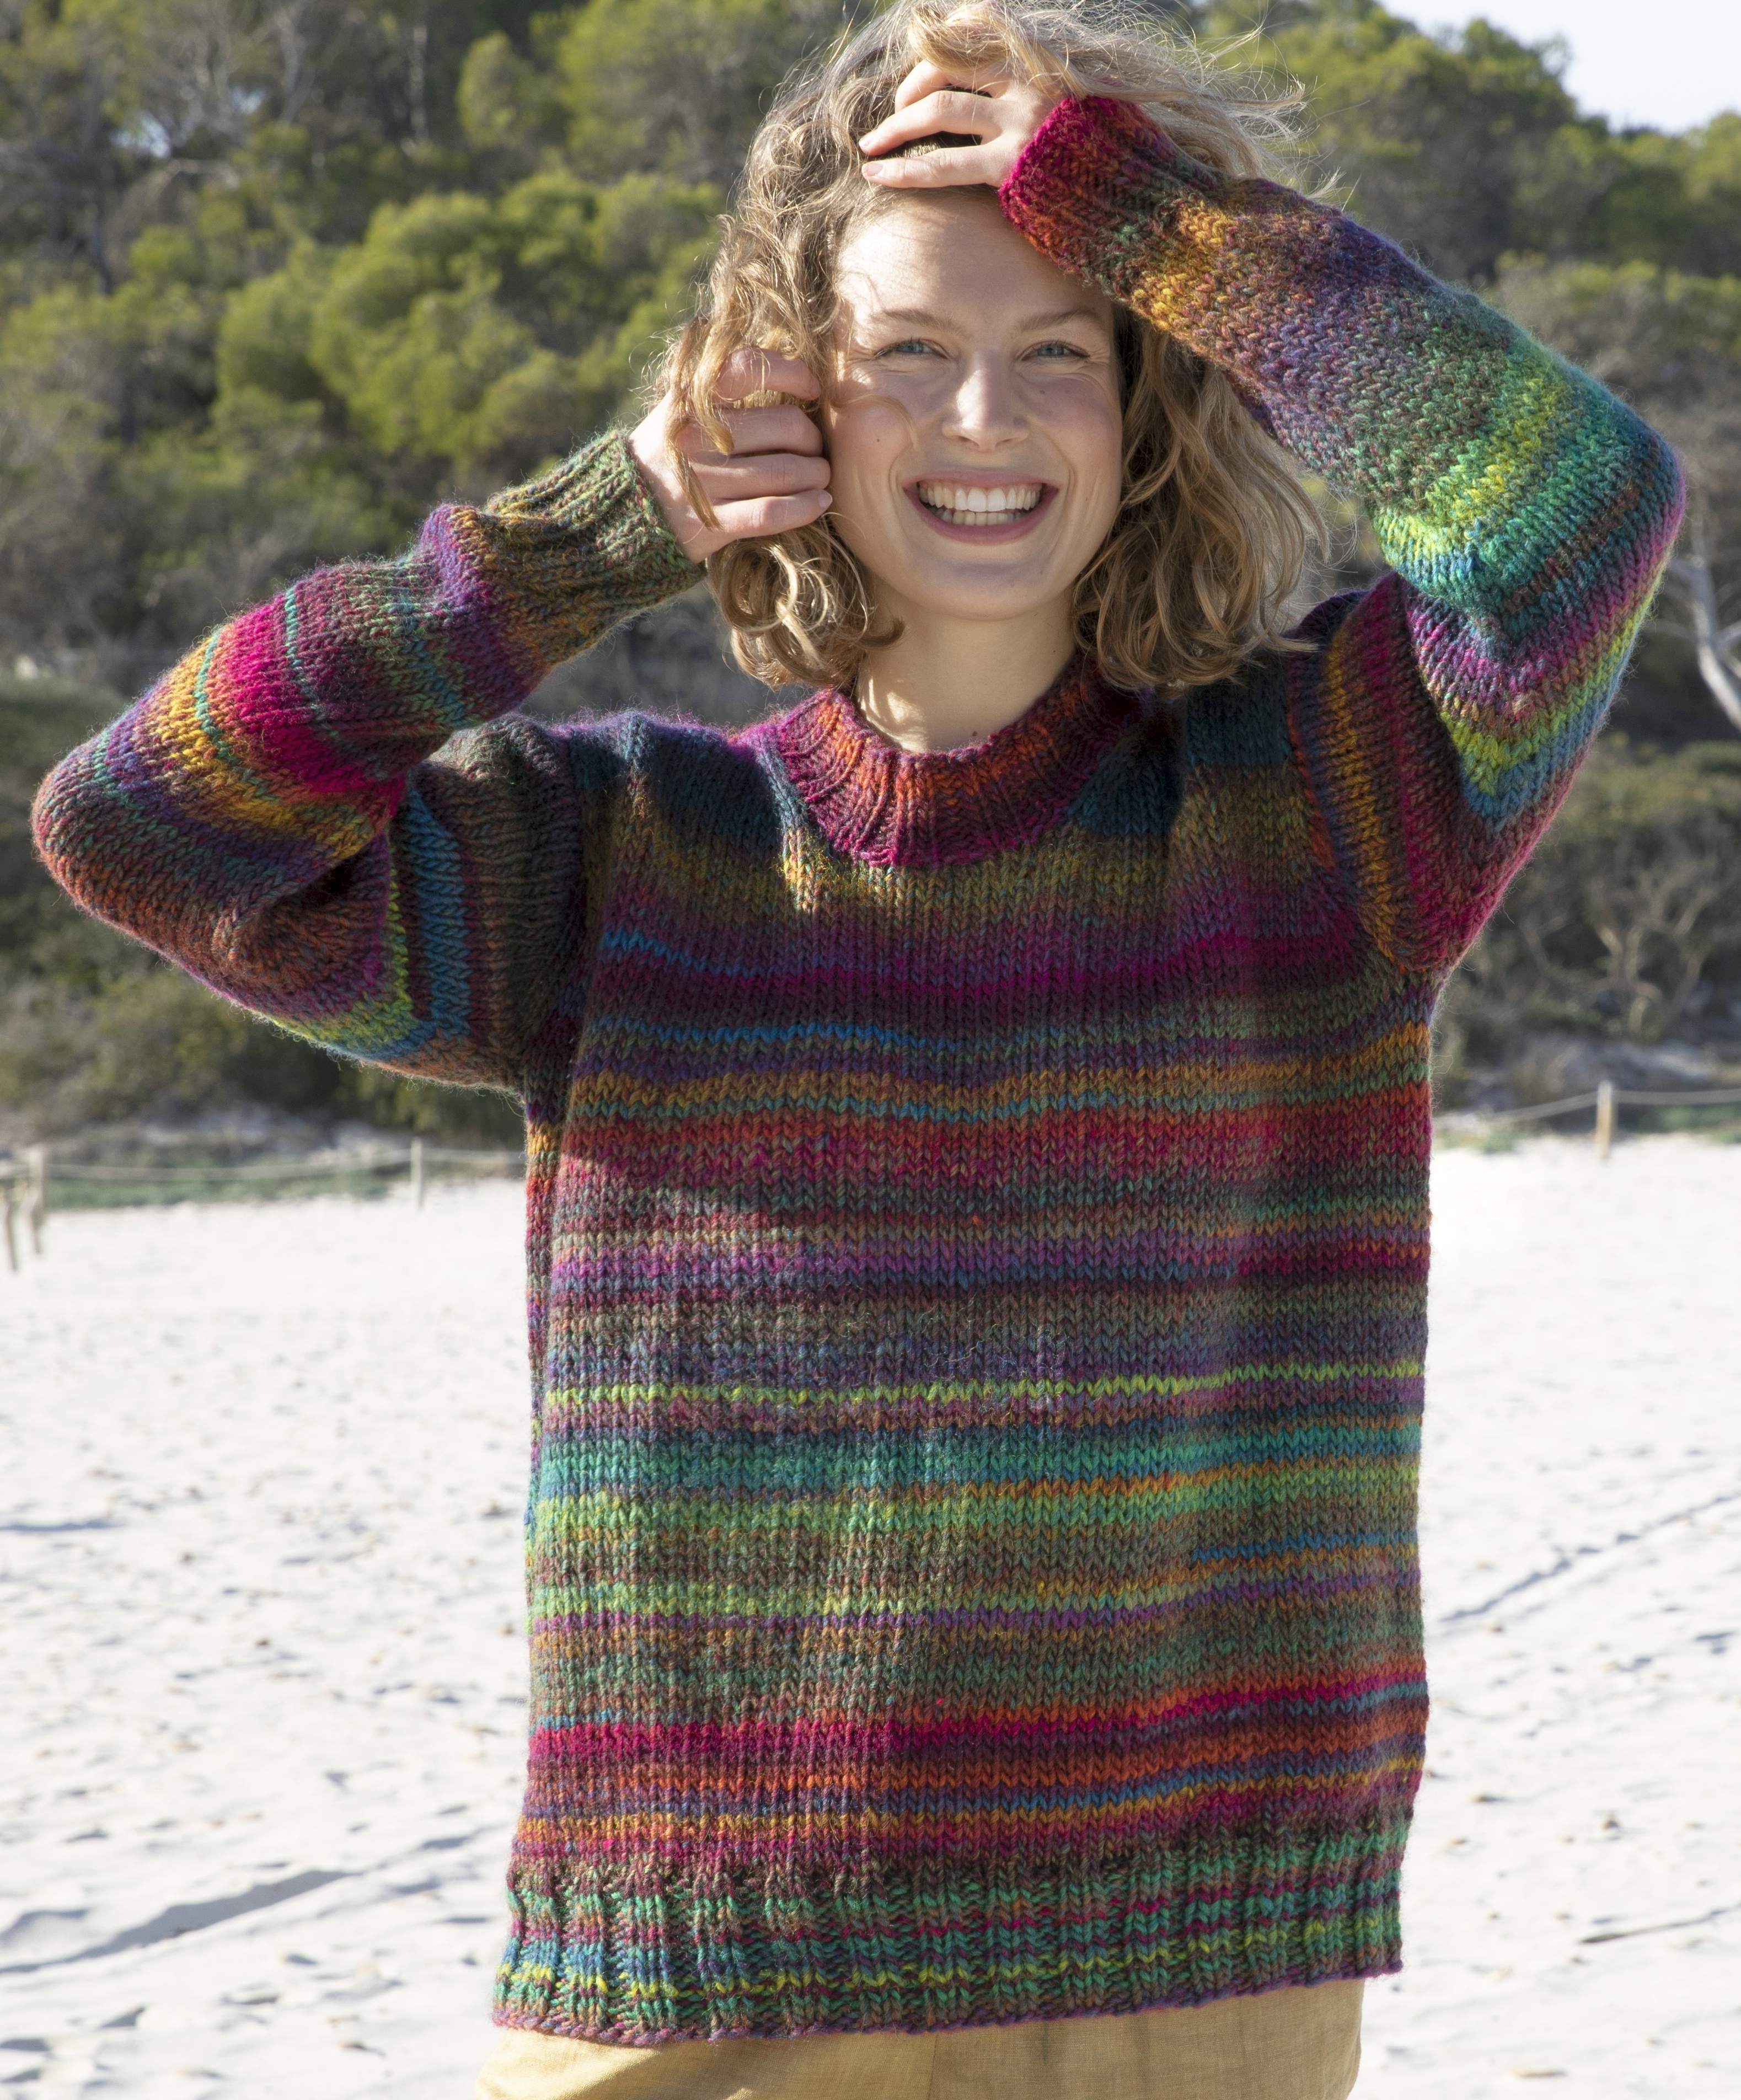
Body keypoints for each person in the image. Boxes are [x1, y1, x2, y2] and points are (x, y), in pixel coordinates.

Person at [30, 1, 1683, 2094]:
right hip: (707, 1977)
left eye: (1060, 348)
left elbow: (1579, 509)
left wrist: (1153, 212)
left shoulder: (1325, 805)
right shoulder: (625, 854)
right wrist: (586, 536)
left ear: (1145, 399)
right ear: (789, 393)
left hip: (1185, 1974)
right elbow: (144, 829)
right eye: (908, 349)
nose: (984, 416)